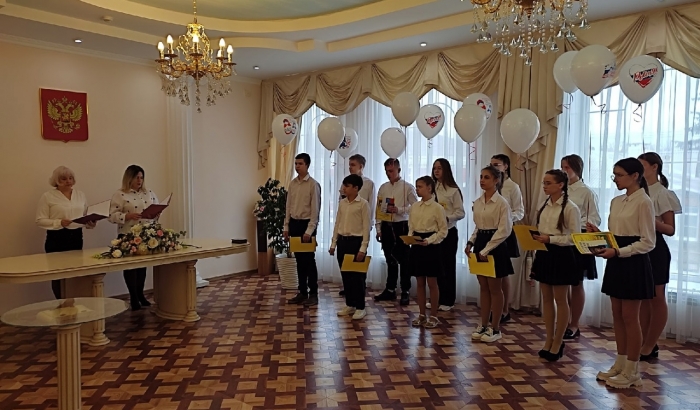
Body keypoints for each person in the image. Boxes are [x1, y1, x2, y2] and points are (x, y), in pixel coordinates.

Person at [589, 158, 655, 389]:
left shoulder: (644, 202)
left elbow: (648, 242)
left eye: (619, 175)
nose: (615, 179)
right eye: (614, 175)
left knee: (630, 317)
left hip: (633, 262)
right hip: (616, 259)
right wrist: (599, 234)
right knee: (617, 314)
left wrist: (619, 252)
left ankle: (632, 370)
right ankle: (620, 363)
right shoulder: (617, 201)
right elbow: (616, 234)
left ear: (635, 176)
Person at [530, 170, 582, 362]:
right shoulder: (544, 205)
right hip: (544, 253)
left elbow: (574, 238)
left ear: (561, 185)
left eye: (548, 183)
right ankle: (549, 339)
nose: (544, 186)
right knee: (546, 298)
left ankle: (559, 341)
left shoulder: (570, 208)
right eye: (544, 183)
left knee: (560, 299)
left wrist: (551, 239)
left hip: (562, 255)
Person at [638, 152, 682, 361]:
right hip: (639, 246)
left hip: (656, 249)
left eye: (642, 165)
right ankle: (644, 341)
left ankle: (650, 344)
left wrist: (651, 221)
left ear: (654, 167)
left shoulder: (662, 193)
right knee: (643, 297)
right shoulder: (638, 191)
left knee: (656, 297)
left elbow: (670, 229)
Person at [465, 166, 514, 343]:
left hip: (496, 246)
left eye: (486, 177)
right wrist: (471, 242)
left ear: (496, 180)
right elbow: (478, 227)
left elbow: (504, 230)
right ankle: (484, 324)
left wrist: (486, 250)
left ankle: (495, 327)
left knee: (495, 288)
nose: (482, 180)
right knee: (483, 287)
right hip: (481, 243)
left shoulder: (502, 203)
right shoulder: (478, 202)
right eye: (481, 177)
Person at [36, 166, 96, 299]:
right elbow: (40, 220)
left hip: (76, 237)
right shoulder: (48, 196)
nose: (68, 181)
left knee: (75, 273)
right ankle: (61, 303)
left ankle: (74, 303)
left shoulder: (80, 195)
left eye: (70, 178)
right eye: (64, 179)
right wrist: (59, 222)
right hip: (56, 238)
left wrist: (90, 222)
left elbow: (85, 215)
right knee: (58, 275)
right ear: (56, 181)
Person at [561, 154, 601, 340]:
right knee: (563, 282)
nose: (564, 171)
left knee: (576, 283)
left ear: (577, 169)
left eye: (567, 167)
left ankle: (574, 324)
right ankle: (564, 320)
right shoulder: (560, 189)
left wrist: (578, 224)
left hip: (579, 238)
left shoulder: (586, 192)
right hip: (561, 238)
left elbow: (594, 218)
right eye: (562, 167)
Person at [108, 165, 160, 311]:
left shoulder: (149, 193)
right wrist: (127, 216)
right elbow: (111, 216)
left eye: (141, 177)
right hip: (128, 234)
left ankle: (141, 294)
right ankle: (133, 297)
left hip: (145, 234)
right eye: (136, 177)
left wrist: (156, 214)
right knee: (131, 267)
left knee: (142, 266)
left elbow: (157, 208)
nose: (139, 180)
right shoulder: (120, 194)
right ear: (129, 178)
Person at [374, 158, 418, 306]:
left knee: (404, 260)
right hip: (386, 226)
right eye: (386, 171)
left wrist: (399, 209)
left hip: (401, 226)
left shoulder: (408, 187)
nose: (389, 174)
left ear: (399, 170)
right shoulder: (383, 187)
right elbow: (379, 209)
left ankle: (405, 290)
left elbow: (416, 207)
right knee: (390, 259)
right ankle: (390, 289)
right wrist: (378, 228)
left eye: (391, 171)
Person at [408, 176, 448, 328]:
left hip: (431, 246)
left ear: (429, 188)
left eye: (420, 186)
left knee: (432, 283)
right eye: (417, 186)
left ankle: (434, 316)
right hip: (417, 245)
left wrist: (430, 240)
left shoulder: (437, 208)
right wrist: (410, 238)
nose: (417, 189)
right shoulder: (415, 206)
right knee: (419, 282)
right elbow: (411, 226)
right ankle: (421, 314)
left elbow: (443, 231)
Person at [330, 174, 371, 320]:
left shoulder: (363, 204)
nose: (344, 189)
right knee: (346, 275)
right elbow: (337, 224)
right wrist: (333, 243)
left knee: (357, 277)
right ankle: (350, 304)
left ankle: (360, 307)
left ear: (356, 188)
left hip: (356, 242)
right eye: (344, 186)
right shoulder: (342, 203)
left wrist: (363, 249)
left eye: (347, 186)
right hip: (343, 242)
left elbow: (366, 228)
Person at [283, 153, 322, 307]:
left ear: (307, 165)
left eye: (300, 164)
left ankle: (313, 293)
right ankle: (302, 292)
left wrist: (309, 231)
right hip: (295, 224)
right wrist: (286, 226)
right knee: (299, 260)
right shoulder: (292, 184)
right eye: (296, 163)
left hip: (307, 225)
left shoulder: (313, 185)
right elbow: (288, 207)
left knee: (309, 261)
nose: (297, 166)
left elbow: (315, 210)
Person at [490, 154, 524, 323]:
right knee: (491, 272)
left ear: (506, 167)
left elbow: (520, 211)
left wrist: (507, 218)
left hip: (505, 232)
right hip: (489, 231)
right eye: (491, 164)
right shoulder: (491, 185)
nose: (493, 167)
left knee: (503, 273)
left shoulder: (512, 187)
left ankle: (505, 310)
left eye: (496, 165)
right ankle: (494, 307)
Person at [429, 158, 465, 311]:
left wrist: (447, 218)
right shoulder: (431, 188)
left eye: (439, 168)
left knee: (447, 266)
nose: (436, 171)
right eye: (434, 168)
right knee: (434, 266)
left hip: (449, 232)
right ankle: (436, 298)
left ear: (446, 170)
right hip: (433, 232)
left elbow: (461, 212)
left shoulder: (453, 190)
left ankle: (448, 300)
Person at [338, 154, 375, 297]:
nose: (350, 167)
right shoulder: (345, 183)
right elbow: (341, 202)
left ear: (361, 166)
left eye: (353, 165)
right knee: (345, 264)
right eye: (349, 165)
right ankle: (349, 290)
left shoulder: (369, 184)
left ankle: (359, 291)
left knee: (358, 265)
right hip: (347, 227)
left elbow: (371, 206)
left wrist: (370, 226)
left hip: (360, 230)